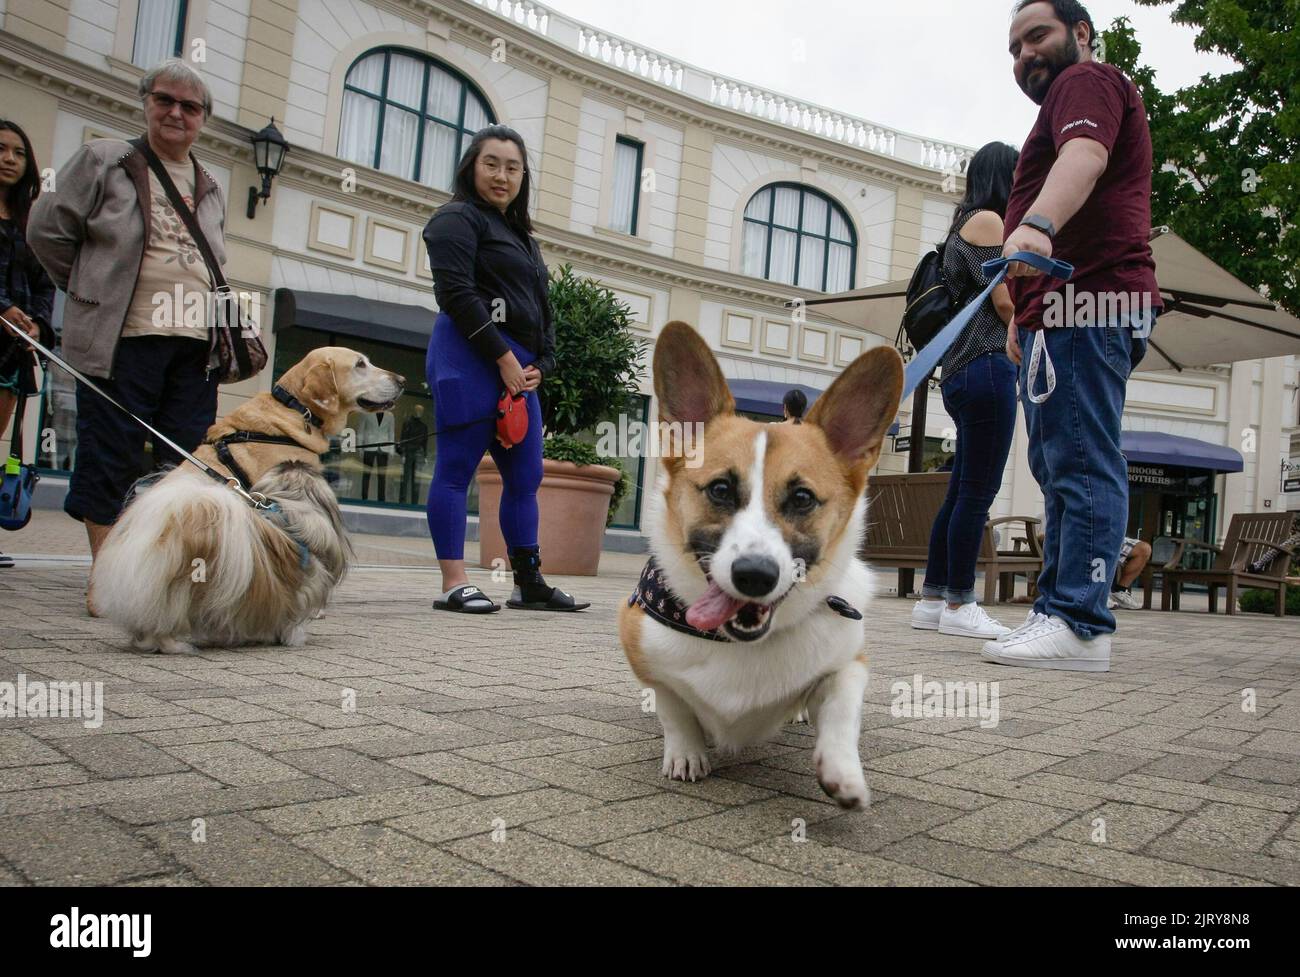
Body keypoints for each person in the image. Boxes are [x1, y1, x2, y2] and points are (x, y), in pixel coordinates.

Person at [983, 0, 1160, 671]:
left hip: (1090, 300)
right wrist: (1026, 318)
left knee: (1080, 455)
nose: (1024, 54)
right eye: (1014, 48)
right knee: (1061, 461)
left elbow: (1085, 155)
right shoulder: (1058, 102)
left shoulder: (1086, 84)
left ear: (1080, 34)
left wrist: (1038, 224)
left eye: (1038, 36)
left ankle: (1080, 622)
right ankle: (1058, 606)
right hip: (1058, 313)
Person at [28, 59, 227, 612]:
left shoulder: (210, 185)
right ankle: (106, 575)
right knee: (109, 455)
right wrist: (90, 290)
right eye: (165, 100)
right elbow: (47, 230)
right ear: (145, 103)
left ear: (203, 119)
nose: (176, 113)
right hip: (124, 337)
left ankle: (160, 578)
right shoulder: (106, 160)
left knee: (182, 466)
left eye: (190, 107)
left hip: (194, 346)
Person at [423, 124, 588, 613]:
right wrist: (503, 357)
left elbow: (542, 311)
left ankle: (528, 582)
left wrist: (543, 364)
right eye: (491, 163)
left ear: (523, 176)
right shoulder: (455, 218)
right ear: (471, 167)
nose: (502, 175)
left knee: (525, 477)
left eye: (512, 167)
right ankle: (455, 582)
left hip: (521, 372)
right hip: (469, 357)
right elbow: (455, 295)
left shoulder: (523, 237)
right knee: (456, 470)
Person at [912, 142, 1021, 640]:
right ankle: (960, 603)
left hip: (960, 373)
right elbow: (1003, 304)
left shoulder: (962, 224)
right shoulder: (990, 222)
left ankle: (934, 599)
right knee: (977, 493)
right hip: (987, 366)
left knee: (960, 490)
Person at [0, 120, 56, 570]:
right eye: (1, 149)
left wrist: (35, 322)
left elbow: (45, 282)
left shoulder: (30, 221)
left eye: (18, 152)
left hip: (9, 349)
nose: (9, 159)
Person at [1109, 536, 1151, 610]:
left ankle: (1119, 592)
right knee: (1102, 544)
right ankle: (1099, 596)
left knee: (1144, 549)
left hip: (1113, 534)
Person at [398, 404, 428, 504]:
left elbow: (425, 442)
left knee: (416, 480)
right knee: (405, 478)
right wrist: (402, 453)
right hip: (408, 452)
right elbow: (403, 438)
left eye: (421, 411)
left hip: (418, 453)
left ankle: (414, 502)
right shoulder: (407, 423)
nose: (419, 413)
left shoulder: (424, 427)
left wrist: (425, 456)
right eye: (417, 410)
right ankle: (402, 500)